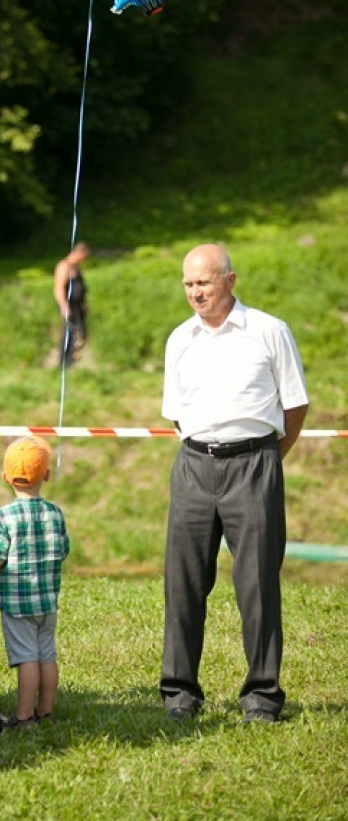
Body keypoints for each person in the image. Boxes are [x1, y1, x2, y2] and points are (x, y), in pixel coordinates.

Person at [160, 243, 309, 723]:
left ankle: (262, 696)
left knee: (258, 584)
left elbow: (296, 405)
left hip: (255, 466)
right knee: (182, 583)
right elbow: (175, 414)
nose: (195, 293)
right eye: (188, 284)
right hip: (194, 467)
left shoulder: (270, 331)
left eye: (203, 282)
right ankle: (180, 693)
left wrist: (265, 457)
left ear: (230, 280)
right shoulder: (179, 339)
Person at [0, 436, 70, 728]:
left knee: (26, 658)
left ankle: (23, 716)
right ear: (46, 475)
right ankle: (46, 709)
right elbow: (63, 550)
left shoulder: (4, 516)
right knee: (47, 655)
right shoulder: (55, 513)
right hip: (47, 601)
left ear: (5, 476)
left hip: (18, 604)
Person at [53, 241, 91, 366]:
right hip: (69, 306)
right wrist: (64, 306)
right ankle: (64, 363)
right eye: (84, 257)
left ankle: (72, 361)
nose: (84, 260)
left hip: (78, 306)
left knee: (81, 334)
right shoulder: (64, 266)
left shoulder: (76, 268)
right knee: (70, 333)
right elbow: (59, 288)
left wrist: (84, 304)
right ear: (78, 253)